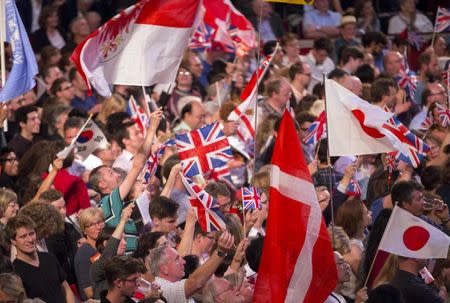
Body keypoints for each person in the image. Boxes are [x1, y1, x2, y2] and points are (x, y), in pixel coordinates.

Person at [89, 109, 163, 252]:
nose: (117, 175)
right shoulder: (108, 202)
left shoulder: (121, 201)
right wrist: (152, 127)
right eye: (111, 173)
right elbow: (137, 165)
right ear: (102, 185)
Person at [4, 215, 76, 303]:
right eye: (23, 236)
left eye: (31, 233)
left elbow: (66, 289)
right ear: (13, 241)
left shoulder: (49, 258)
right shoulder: (15, 272)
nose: (30, 239)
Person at [149, 231, 235, 303]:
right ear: (164, 269)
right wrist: (220, 251)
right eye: (177, 259)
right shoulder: (162, 289)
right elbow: (196, 282)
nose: (183, 262)